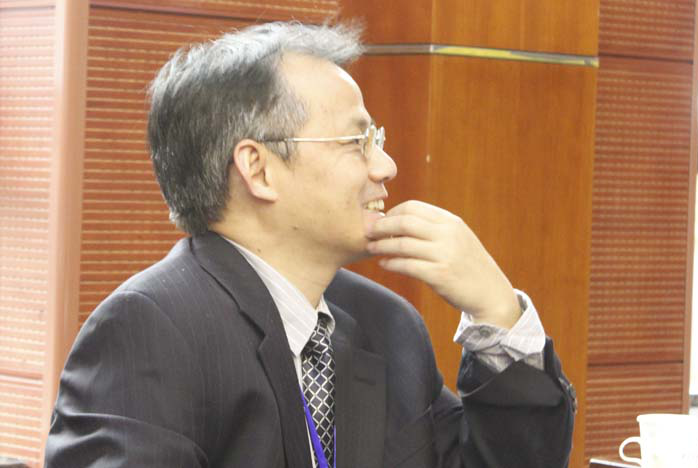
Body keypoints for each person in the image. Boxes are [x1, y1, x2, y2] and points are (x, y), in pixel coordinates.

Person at [44, 22, 575, 468]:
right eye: (356, 141)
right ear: (258, 169)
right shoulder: (151, 329)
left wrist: (496, 313)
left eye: (377, 140)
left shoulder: (387, 326)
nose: (386, 166)